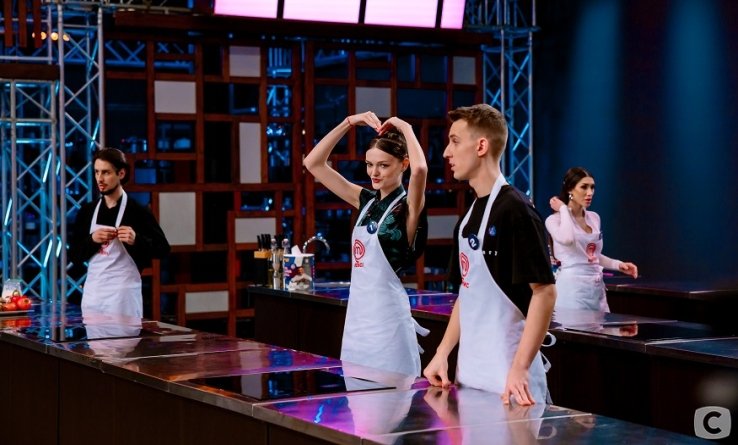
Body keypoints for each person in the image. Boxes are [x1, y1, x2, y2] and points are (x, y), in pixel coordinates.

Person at [423, 104, 556, 406]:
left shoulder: (516, 209)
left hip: (511, 381)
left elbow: (545, 292)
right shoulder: (467, 218)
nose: (446, 152)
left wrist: (520, 368)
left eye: (455, 141)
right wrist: (442, 353)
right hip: (470, 375)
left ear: (481, 146)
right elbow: (467, 292)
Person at [303, 111, 429, 377]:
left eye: (383, 165)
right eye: (369, 164)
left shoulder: (408, 206)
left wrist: (405, 127)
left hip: (389, 326)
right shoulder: (365, 200)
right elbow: (313, 163)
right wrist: (348, 122)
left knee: (392, 401)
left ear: (403, 164)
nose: (374, 172)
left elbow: (420, 170)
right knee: (357, 400)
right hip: (357, 324)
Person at [69, 148, 170, 318]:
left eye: (106, 173)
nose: (100, 179)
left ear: (121, 174)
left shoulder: (138, 211)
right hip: (94, 296)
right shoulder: (87, 211)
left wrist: (136, 240)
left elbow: (163, 249)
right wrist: (92, 240)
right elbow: (74, 256)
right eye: (97, 172)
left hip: (123, 299)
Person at [545, 167, 638, 312]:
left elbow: (591, 256)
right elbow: (567, 239)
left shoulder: (594, 217)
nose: (590, 193)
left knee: (601, 325)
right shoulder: (553, 220)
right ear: (570, 189)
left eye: (592, 187)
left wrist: (618, 265)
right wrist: (563, 209)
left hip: (596, 289)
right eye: (584, 187)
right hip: (572, 290)